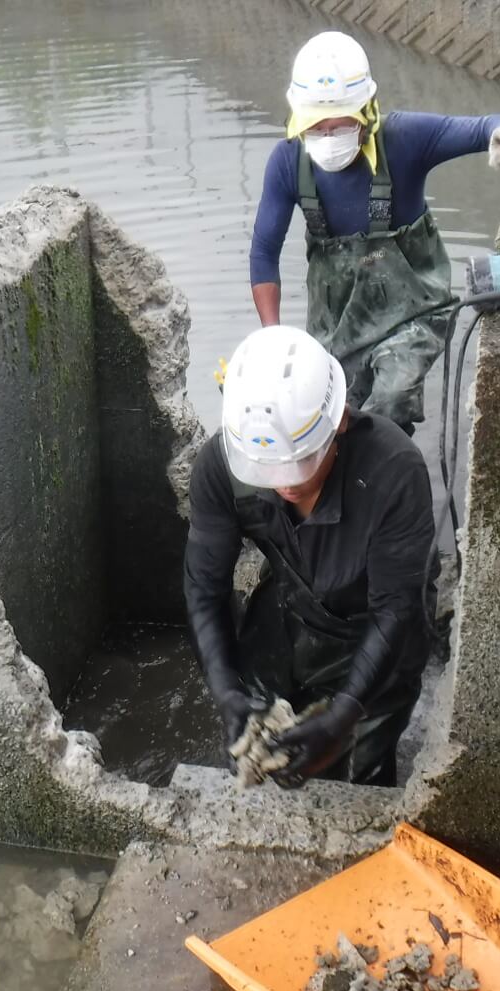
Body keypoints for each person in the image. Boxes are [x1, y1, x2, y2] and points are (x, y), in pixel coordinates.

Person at [249, 30, 500, 432]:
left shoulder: (405, 139)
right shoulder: (287, 163)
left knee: (390, 400)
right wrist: (273, 339)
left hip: (415, 314)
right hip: (337, 325)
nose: (329, 137)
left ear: (367, 112)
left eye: (341, 126)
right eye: (317, 128)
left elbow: (484, 127)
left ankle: (393, 473)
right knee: (326, 417)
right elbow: (264, 252)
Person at [184, 325, 437, 787]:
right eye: (268, 469)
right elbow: (205, 589)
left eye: (299, 462)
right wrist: (227, 694)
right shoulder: (221, 466)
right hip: (294, 597)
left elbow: (396, 609)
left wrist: (345, 712)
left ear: (338, 419)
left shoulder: (394, 472)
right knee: (264, 742)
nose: (285, 482)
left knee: (360, 769)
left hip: (376, 618)